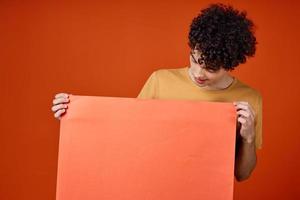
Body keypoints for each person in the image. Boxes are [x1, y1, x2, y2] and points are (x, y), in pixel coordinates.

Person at [51, 3, 262, 182]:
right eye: (195, 59)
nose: (198, 73)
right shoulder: (160, 81)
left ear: (231, 64)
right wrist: (75, 117)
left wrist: (249, 137)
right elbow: (125, 137)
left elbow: (242, 175)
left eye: (211, 68)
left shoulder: (248, 99)